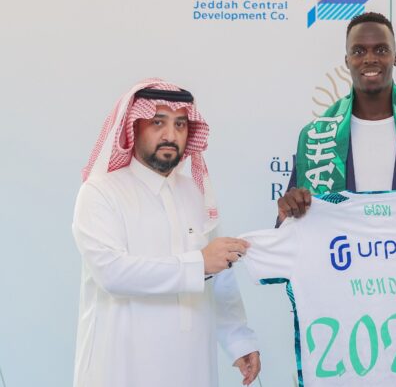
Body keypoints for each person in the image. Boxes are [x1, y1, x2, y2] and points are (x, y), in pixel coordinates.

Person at [72, 79, 260, 387]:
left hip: (192, 365)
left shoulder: (196, 193)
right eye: (158, 122)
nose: (171, 135)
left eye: (180, 124)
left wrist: (238, 339)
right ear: (133, 127)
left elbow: (219, 272)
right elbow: (112, 273)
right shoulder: (101, 192)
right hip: (123, 367)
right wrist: (199, 263)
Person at [277, 12, 396, 220]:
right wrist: (286, 215)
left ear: (395, 57)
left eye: (381, 50)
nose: (369, 59)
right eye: (358, 51)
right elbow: (291, 227)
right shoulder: (316, 137)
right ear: (347, 60)